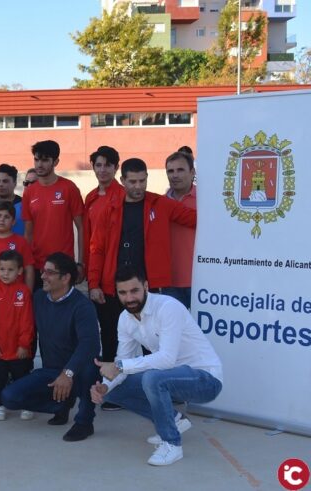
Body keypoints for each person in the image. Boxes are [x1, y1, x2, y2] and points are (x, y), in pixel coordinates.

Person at [91, 266, 223, 466]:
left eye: (134, 291)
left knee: (152, 378)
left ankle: (172, 444)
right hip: (171, 379)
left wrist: (118, 366)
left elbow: (166, 359)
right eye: (123, 293)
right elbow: (124, 359)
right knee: (113, 391)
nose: (129, 298)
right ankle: (175, 420)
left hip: (205, 379)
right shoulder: (125, 319)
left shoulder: (168, 307)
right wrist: (105, 387)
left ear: (146, 286)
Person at [88, 158, 196, 377]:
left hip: (151, 288)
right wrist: (93, 284)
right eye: (133, 182)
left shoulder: (161, 204)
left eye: (142, 181)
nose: (138, 187)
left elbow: (197, 219)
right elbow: (96, 249)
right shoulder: (109, 209)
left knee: (153, 343)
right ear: (123, 181)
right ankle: (113, 389)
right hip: (114, 287)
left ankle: (152, 387)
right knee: (112, 339)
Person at [1, 252, 99, 442]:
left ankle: (85, 422)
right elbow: (15, 312)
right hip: (50, 371)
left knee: (91, 369)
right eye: (43, 271)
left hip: (78, 371)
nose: (43, 276)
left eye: (49, 273)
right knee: (9, 397)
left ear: (65, 278)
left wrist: (68, 373)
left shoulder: (82, 306)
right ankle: (60, 404)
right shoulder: (39, 298)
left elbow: (91, 344)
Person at [21, 141, 84, 289]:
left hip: (63, 265)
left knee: (63, 310)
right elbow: (28, 234)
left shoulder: (69, 188)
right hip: (38, 265)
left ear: (56, 162)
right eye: (36, 160)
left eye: (45, 160)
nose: (39, 165)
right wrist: (26, 265)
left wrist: (81, 263)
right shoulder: (29, 192)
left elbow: (81, 227)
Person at [0, 250, 34, 421]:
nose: (6, 273)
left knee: (22, 378)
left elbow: (27, 321)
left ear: (19, 271)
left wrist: (24, 344)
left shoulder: (24, 292)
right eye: (2, 269)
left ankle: (26, 404)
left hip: (18, 349)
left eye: (10, 270)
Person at [82, 146, 123, 286]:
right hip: (95, 265)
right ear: (93, 167)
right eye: (98, 165)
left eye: (107, 165)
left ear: (116, 167)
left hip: (118, 268)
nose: (102, 170)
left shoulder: (123, 196)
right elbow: (88, 236)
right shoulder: (90, 197)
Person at [163, 151, 197, 308]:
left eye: (180, 170)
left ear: (192, 172)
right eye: (171, 171)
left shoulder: (207, 199)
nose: (175, 175)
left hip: (200, 280)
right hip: (170, 282)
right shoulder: (159, 204)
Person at [0, 202, 35, 289]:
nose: (2, 219)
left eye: (6, 217)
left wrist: (28, 293)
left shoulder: (21, 242)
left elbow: (29, 269)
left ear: (13, 222)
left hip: (15, 295)